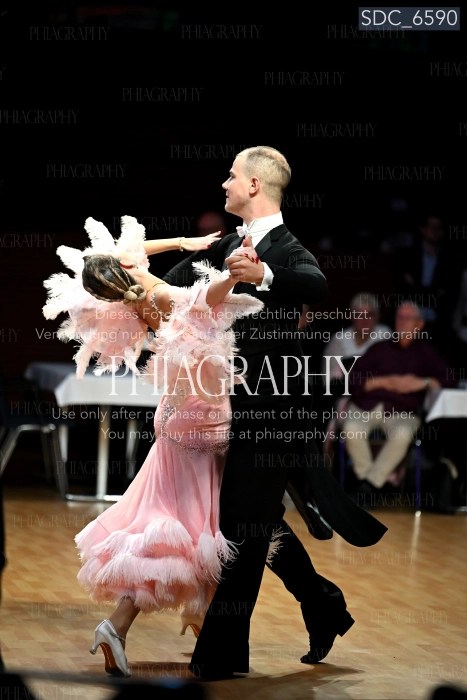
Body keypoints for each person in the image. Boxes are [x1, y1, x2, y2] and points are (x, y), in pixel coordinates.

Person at [163, 146, 387, 680]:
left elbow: (317, 285)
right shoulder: (222, 245)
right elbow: (169, 285)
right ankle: (322, 603)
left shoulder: (288, 248)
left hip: (273, 409)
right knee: (255, 519)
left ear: (255, 185)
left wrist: (262, 273)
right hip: (220, 406)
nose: (224, 183)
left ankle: (220, 657)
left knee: (242, 521)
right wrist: (142, 274)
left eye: (232, 175)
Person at [42, 215, 264, 678]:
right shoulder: (159, 295)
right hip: (201, 418)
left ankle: (199, 618)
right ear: (124, 267)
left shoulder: (129, 295)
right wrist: (234, 274)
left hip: (177, 413)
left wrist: (184, 241)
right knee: (184, 528)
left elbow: (125, 255)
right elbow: (203, 297)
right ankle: (119, 623)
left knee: (197, 523)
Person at [342, 301, 452, 501]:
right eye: (399, 317)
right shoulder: (380, 348)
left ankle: (369, 488)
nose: (402, 321)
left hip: (403, 410)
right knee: (351, 428)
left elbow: (448, 379)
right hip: (368, 405)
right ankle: (369, 485)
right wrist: (387, 381)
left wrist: (422, 382)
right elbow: (352, 379)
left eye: (408, 318)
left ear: (419, 324)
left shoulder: (427, 353)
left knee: (402, 433)